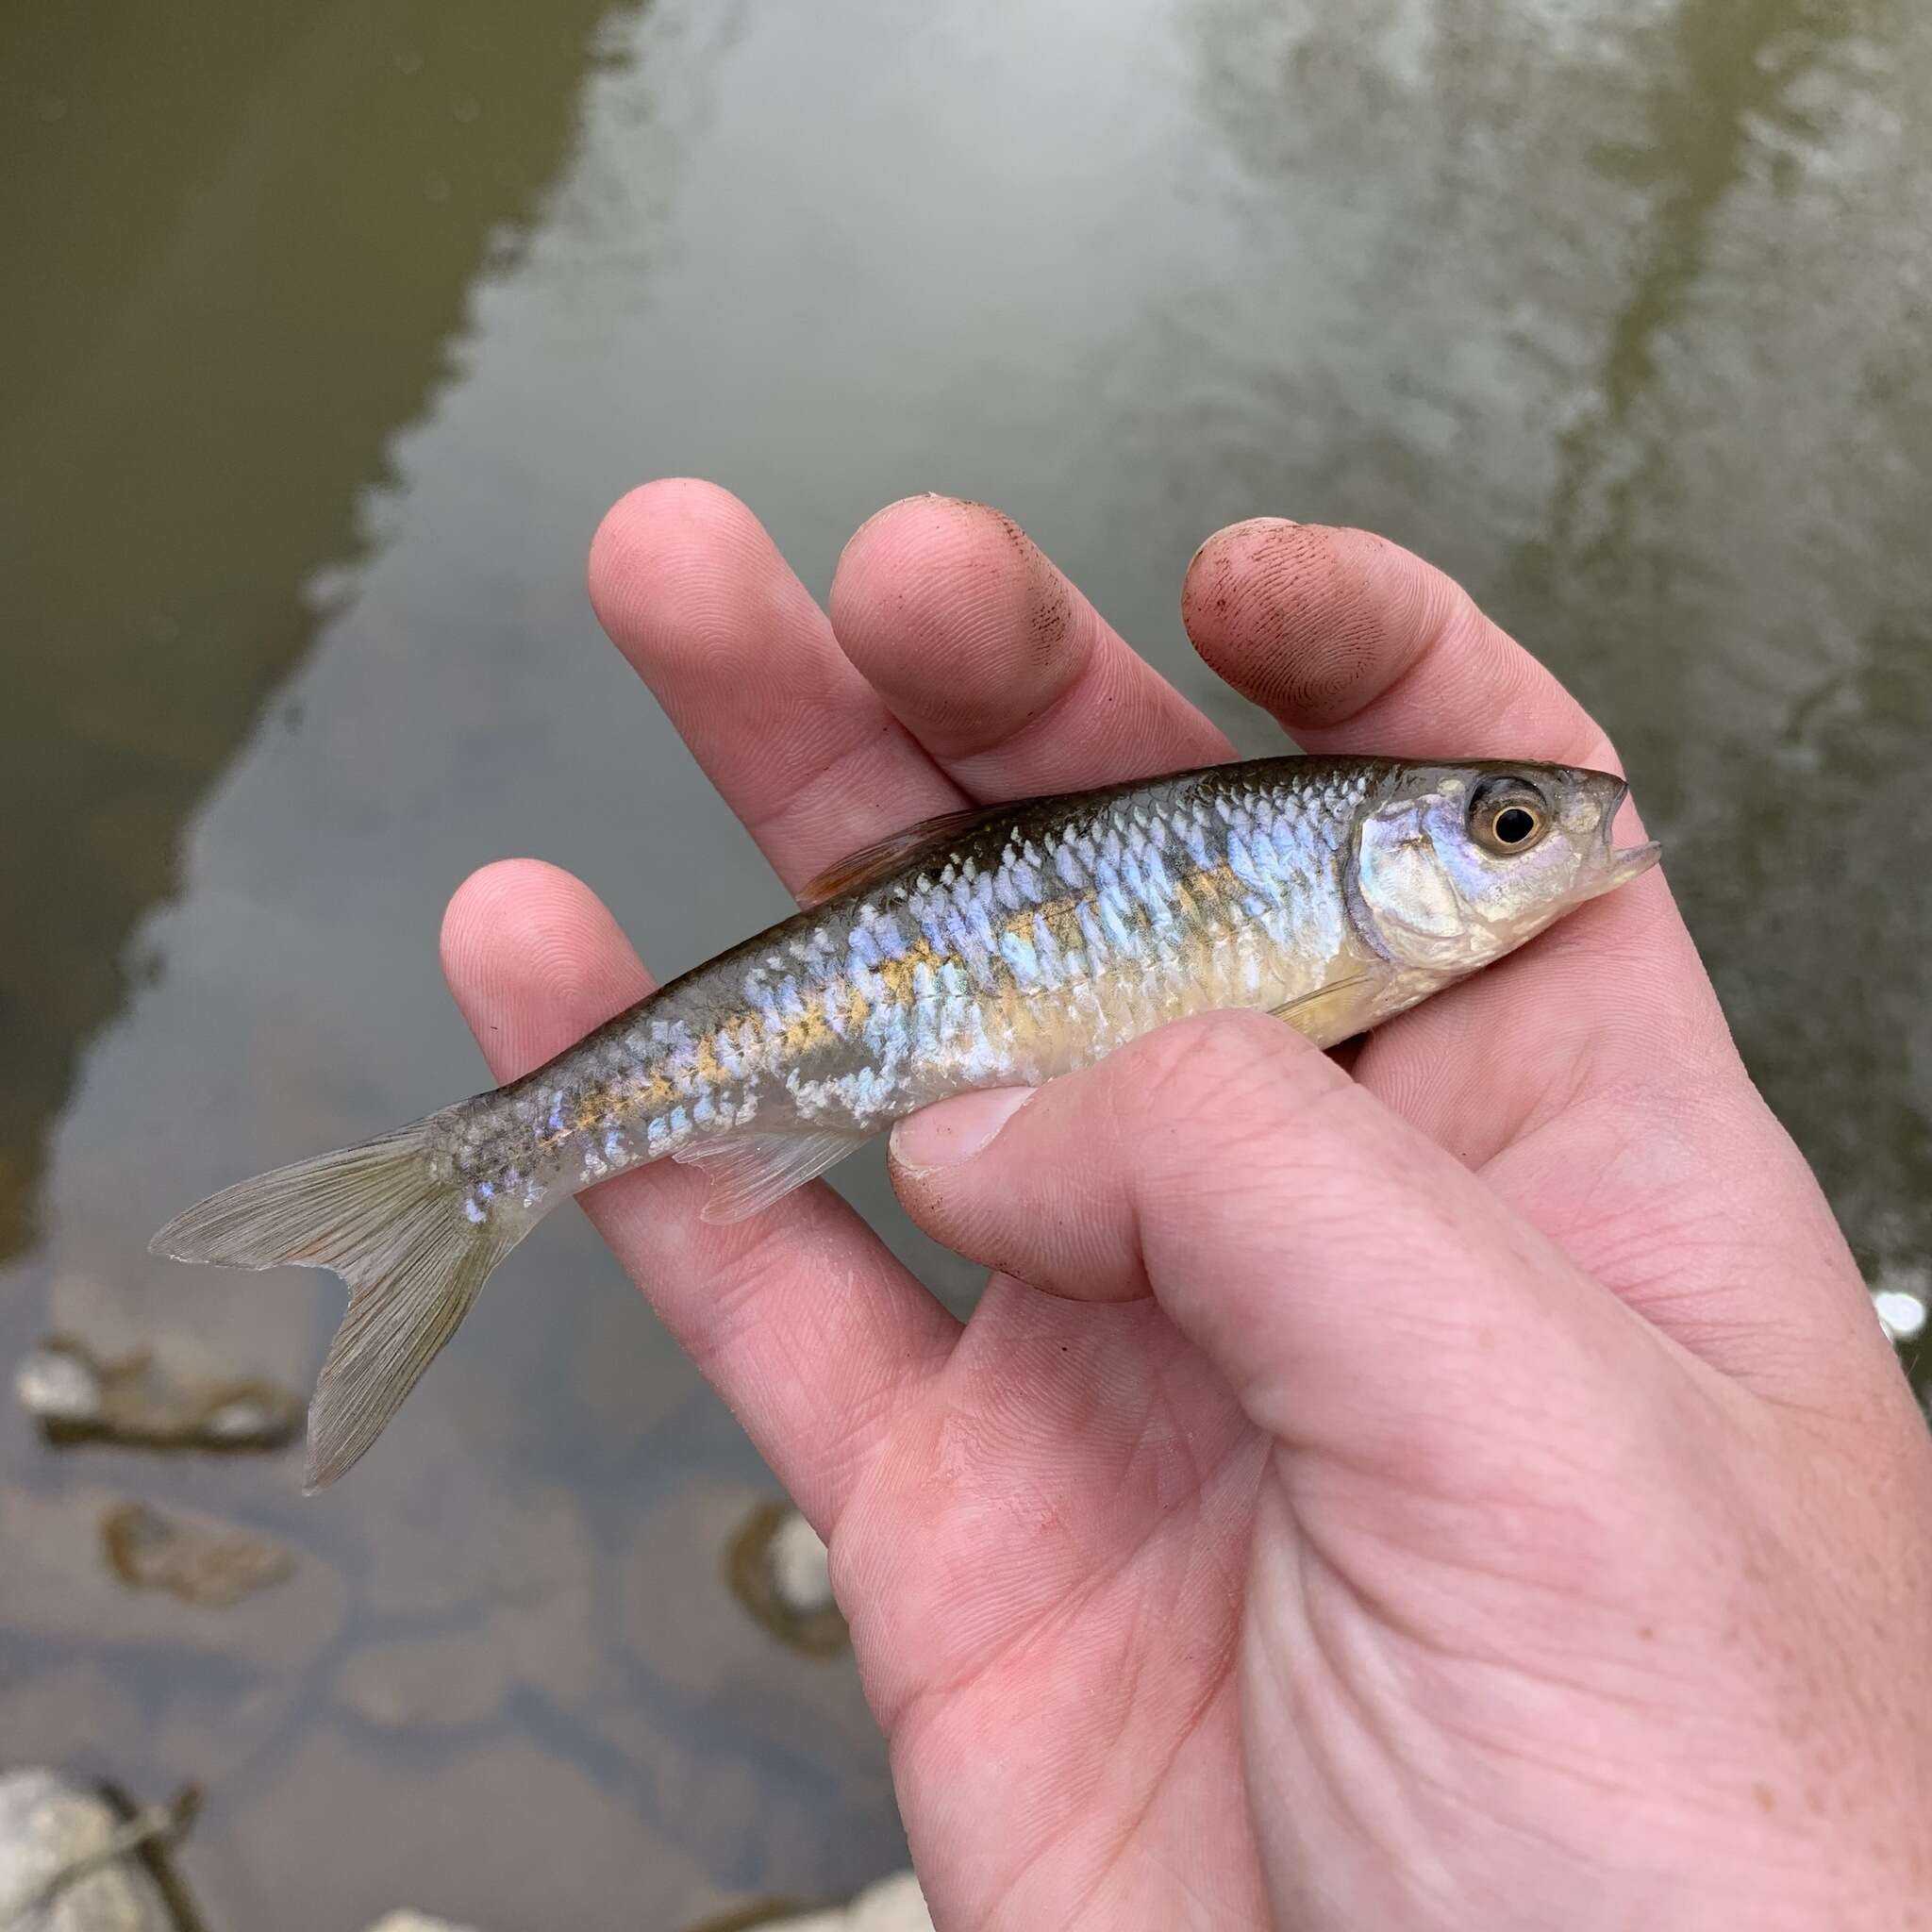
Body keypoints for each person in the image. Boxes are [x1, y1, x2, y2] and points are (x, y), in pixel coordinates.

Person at [439, 483, 1932, 1929]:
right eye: (1508, 830)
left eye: (1511, 827)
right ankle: (497, 1163)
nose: (1551, 845)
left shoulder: (1396, 952)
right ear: (1393, 856)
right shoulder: (1358, 952)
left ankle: (510, 1157)